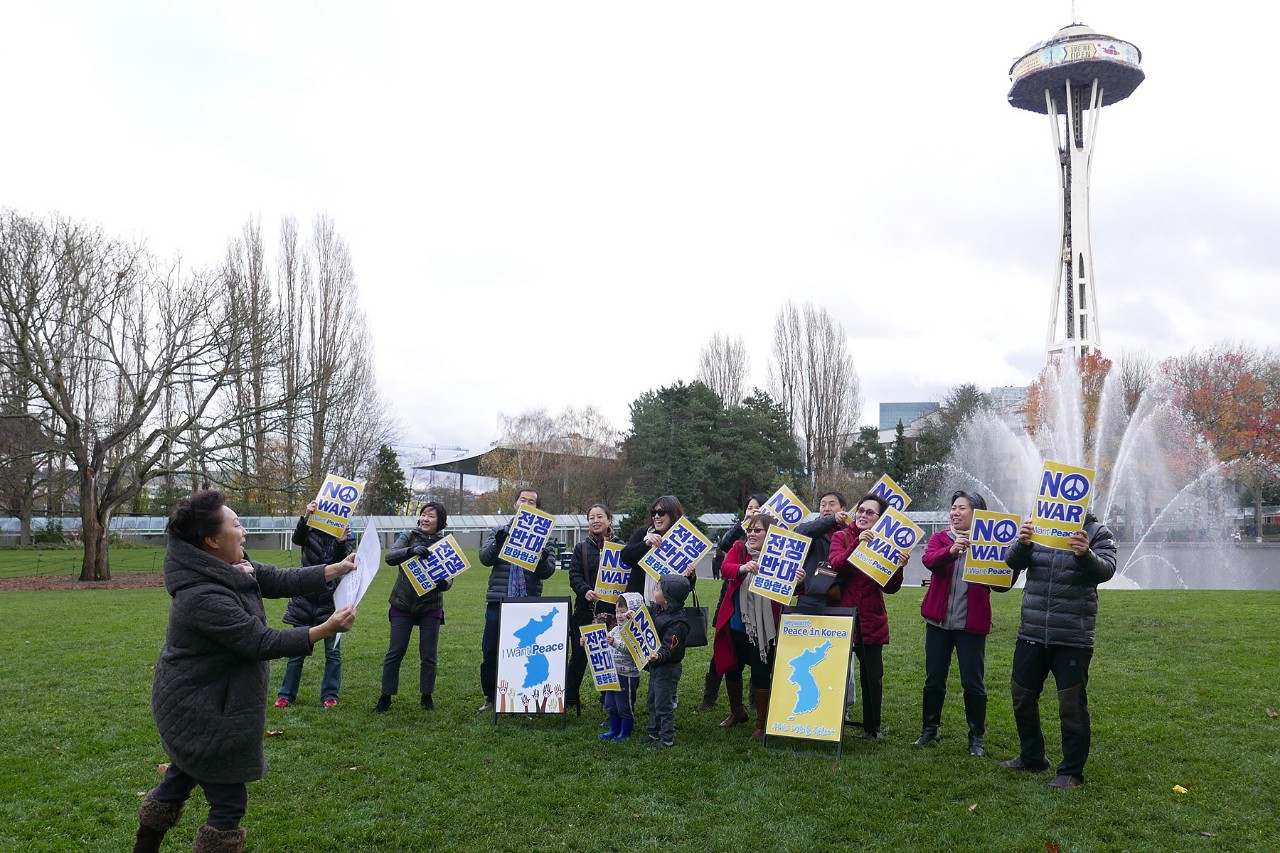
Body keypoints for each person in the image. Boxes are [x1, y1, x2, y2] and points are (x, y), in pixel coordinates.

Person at [135, 491, 355, 853]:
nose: (244, 531)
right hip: (201, 709)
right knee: (228, 803)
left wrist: (336, 568)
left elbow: (276, 579)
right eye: (236, 524)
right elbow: (259, 641)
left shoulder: (229, 566)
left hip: (205, 703)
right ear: (211, 540)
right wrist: (325, 628)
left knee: (178, 779)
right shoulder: (201, 594)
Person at [999, 511, 1117, 789]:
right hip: (1032, 631)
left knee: (1071, 705)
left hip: (1072, 636)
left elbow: (1107, 570)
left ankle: (1072, 772)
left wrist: (1085, 553)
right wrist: (1023, 543)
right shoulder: (1039, 526)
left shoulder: (1098, 532)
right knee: (1022, 696)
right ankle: (1032, 756)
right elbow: (1012, 561)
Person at [916, 490, 1007, 756]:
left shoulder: (990, 543)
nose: (955, 512)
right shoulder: (940, 538)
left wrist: (1012, 561)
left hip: (972, 625)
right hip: (938, 623)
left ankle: (976, 737)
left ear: (977, 513)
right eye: (953, 507)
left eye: (962, 508)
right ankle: (929, 729)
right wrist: (951, 551)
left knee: (973, 682)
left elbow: (1003, 585)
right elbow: (929, 560)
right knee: (934, 679)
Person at [712, 513, 805, 739]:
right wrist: (743, 568)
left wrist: (799, 581)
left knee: (761, 672)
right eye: (750, 530)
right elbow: (725, 568)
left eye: (758, 530)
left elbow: (791, 592)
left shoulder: (782, 555)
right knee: (731, 667)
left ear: (770, 534)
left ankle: (761, 724)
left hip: (765, 628)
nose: (752, 534)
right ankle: (737, 711)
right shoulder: (739, 548)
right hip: (736, 623)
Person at [828, 493, 904, 739]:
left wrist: (898, 568)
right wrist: (858, 543)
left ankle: (873, 727)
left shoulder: (886, 543)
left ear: (880, 519)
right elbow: (836, 563)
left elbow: (891, 588)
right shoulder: (842, 536)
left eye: (869, 512)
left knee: (873, 678)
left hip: (871, 619)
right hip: (841, 617)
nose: (862, 515)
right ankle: (829, 722)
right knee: (834, 674)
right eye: (861, 510)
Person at [477, 489, 558, 713]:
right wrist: (498, 544)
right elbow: (484, 559)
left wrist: (541, 557)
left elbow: (548, 571)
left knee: (524, 652)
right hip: (499, 599)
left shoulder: (546, 537)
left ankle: (521, 695)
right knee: (491, 650)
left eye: (532, 502)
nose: (527, 504)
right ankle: (491, 697)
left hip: (527, 603)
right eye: (523, 500)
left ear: (537, 509)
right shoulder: (499, 531)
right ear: (515, 505)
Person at [374, 502, 453, 713]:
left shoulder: (445, 542)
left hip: (431, 605)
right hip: (403, 602)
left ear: (440, 521)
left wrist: (446, 583)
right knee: (395, 651)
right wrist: (411, 550)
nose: (425, 519)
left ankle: (426, 696)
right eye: (423, 515)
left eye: (431, 516)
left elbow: (451, 574)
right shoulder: (409, 535)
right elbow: (390, 557)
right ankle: (385, 697)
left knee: (428, 654)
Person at [273, 501, 353, 709]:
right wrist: (305, 516)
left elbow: (343, 563)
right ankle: (286, 695)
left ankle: (330, 695)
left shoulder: (343, 534)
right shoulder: (310, 530)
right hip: (304, 600)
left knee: (333, 653)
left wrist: (342, 542)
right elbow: (297, 538)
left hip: (330, 602)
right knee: (296, 651)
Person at [697, 493, 766, 712]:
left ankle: (757, 705)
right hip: (733, 608)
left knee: (760, 659)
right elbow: (724, 550)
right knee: (724, 652)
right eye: (750, 508)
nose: (753, 511)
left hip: (762, 616)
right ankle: (713, 698)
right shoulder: (740, 543)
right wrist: (744, 524)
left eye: (758, 508)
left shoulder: (775, 546)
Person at [566, 503, 616, 713]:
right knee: (579, 654)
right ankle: (569, 697)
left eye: (600, 517)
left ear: (609, 520)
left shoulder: (618, 548)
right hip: (585, 609)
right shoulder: (581, 548)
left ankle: (607, 697)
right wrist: (584, 590)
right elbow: (574, 574)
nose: (595, 521)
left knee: (608, 654)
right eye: (591, 517)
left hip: (612, 611)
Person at [620, 495, 698, 603]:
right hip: (638, 604)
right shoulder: (643, 533)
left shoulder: (683, 543)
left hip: (667, 608)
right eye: (653, 513)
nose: (656, 516)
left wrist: (691, 576)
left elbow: (685, 589)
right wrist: (646, 544)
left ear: (673, 514)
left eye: (661, 513)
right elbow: (625, 557)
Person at [644, 573, 691, 750]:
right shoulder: (659, 609)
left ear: (668, 597)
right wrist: (635, 616)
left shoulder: (678, 622)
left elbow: (669, 646)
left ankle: (666, 738)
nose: (654, 591)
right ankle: (653, 732)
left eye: (657, 589)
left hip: (668, 668)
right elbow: (648, 619)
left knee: (663, 704)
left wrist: (659, 656)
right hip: (656, 667)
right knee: (653, 700)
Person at [599, 591, 644, 742]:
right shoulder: (615, 630)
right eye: (617, 611)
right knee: (610, 704)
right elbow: (604, 644)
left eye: (623, 612)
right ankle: (614, 729)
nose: (619, 615)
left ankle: (625, 733)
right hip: (613, 673)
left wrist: (614, 643)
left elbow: (630, 649)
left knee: (624, 705)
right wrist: (588, 643)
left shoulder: (636, 632)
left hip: (627, 675)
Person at [794, 491, 852, 608]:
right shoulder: (811, 528)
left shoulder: (850, 532)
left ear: (843, 509)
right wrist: (832, 520)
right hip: (810, 598)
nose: (826, 508)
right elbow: (798, 534)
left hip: (841, 596)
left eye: (832, 504)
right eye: (823, 505)